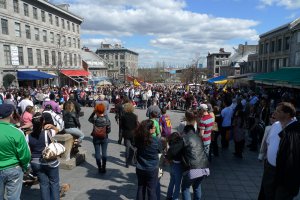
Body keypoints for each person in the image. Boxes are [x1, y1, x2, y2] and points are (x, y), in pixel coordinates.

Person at [258, 102, 300, 200]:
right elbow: (268, 143)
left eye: (278, 111)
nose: (274, 113)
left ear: (288, 114)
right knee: (267, 195)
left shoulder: (296, 131)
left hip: (286, 175)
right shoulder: (276, 125)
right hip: (270, 169)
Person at [167, 114, 210, 200]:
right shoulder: (199, 137)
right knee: (197, 186)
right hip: (205, 168)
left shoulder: (184, 138)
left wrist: (168, 158)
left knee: (185, 188)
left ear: (185, 131)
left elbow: (172, 151)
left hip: (193, 168)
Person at [0, 104, 31, 200]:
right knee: (13, 197)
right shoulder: (17, 132)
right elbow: (25, 155)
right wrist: (26, 167)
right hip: (14, 168)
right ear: (11, 114)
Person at [27, 112, 60, 200]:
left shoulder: (28, 136)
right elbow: (58, 129)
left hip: (36, 163)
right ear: (43, 122)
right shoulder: (48, 132)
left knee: (43, 184)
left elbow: (29, 152)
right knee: (54, 183)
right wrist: (52, 126)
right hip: (50, 162)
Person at [135, 119, 162, 200]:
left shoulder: (138, 138)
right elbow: (160, 150)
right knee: (151, 190)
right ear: (150, 129)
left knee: (141, 188)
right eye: (153, 127)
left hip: (140, 167)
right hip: (152, 168)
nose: (154, 129)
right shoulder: (156, 140)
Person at [88, 103, 111, 173]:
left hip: (96, 138)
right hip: (104, 137)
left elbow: (89, 119)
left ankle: (99, 167)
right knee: (104, 153)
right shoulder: (107, 120)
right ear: (103, 110)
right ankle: (104, 167)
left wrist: (93, 112)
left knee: (97, 153)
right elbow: (109, 130)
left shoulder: (95, 119)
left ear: (96, 110)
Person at [120, 103, 139, 167]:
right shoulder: (135, 116)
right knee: (133, 147)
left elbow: (121, 126)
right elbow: (136, 125)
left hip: (126, 133)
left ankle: (127, 162)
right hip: (133, 133)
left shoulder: (123, 116)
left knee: (127, 148)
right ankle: (131, 160)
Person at [166, 132, 183, 200]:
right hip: (178, 166)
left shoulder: (172, 145)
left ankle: (168, 196)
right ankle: (175, 198)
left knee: (172, 182)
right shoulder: (180, 145)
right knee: (177, 185)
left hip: (172, 165)